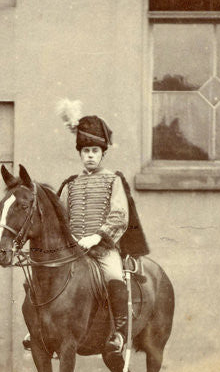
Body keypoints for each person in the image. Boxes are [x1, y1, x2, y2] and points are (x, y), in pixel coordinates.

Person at [24, 100, 148, 354]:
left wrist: (96, 237)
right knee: (40, 278)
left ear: (102, 154)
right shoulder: (70, 184)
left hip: (102, 248)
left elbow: (119, 216)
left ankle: (118, 333)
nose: (90, 155)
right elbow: (60, 219)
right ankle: (38, 327)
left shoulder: (113, 180)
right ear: (80, 154)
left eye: (94, 151)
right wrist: (69, 239)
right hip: (73, 250)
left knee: (114, 277)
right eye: (86, 151)